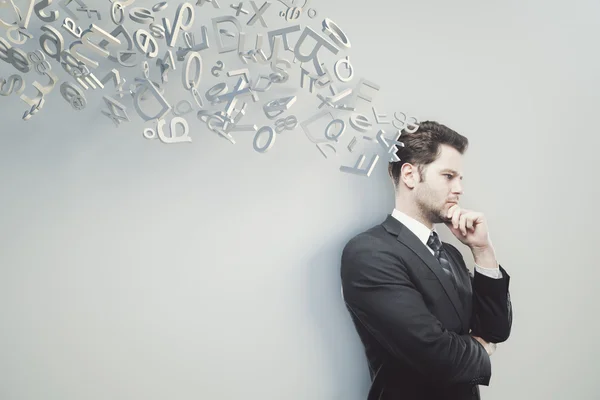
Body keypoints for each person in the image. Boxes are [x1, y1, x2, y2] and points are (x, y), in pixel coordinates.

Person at [340, 121, 513, 400]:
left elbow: (495, 329)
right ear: (409, 174)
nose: (459, 189)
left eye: (460, 179)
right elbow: (437, 358)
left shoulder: (452, 253)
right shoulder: (369, 253)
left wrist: (482, 250)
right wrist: (482, 348)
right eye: (448, 176)